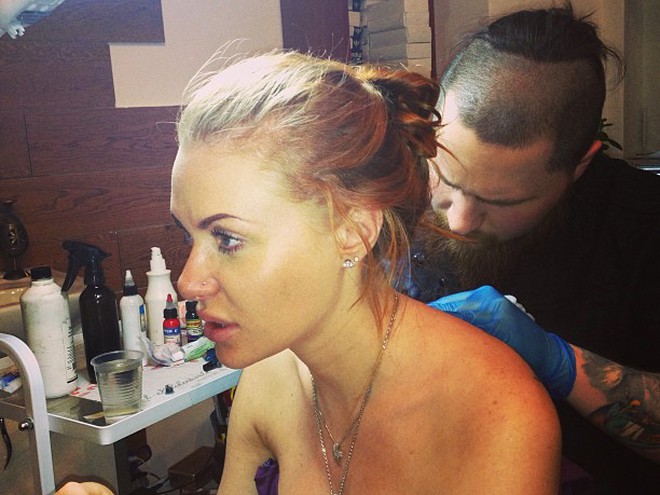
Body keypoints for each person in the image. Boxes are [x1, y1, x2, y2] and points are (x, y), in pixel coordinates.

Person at [56, 51, 560, 494]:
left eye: (227, 239)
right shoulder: (269, 380)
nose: (188, 282)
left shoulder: (495, 416)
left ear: (352, 231)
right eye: (190, 237)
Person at [405, 3, 660, 493]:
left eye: (503, 202)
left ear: (579, 165)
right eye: (448, 180)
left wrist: (559, 361)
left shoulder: (643, 229)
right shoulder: (394, 184)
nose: (459, 220)